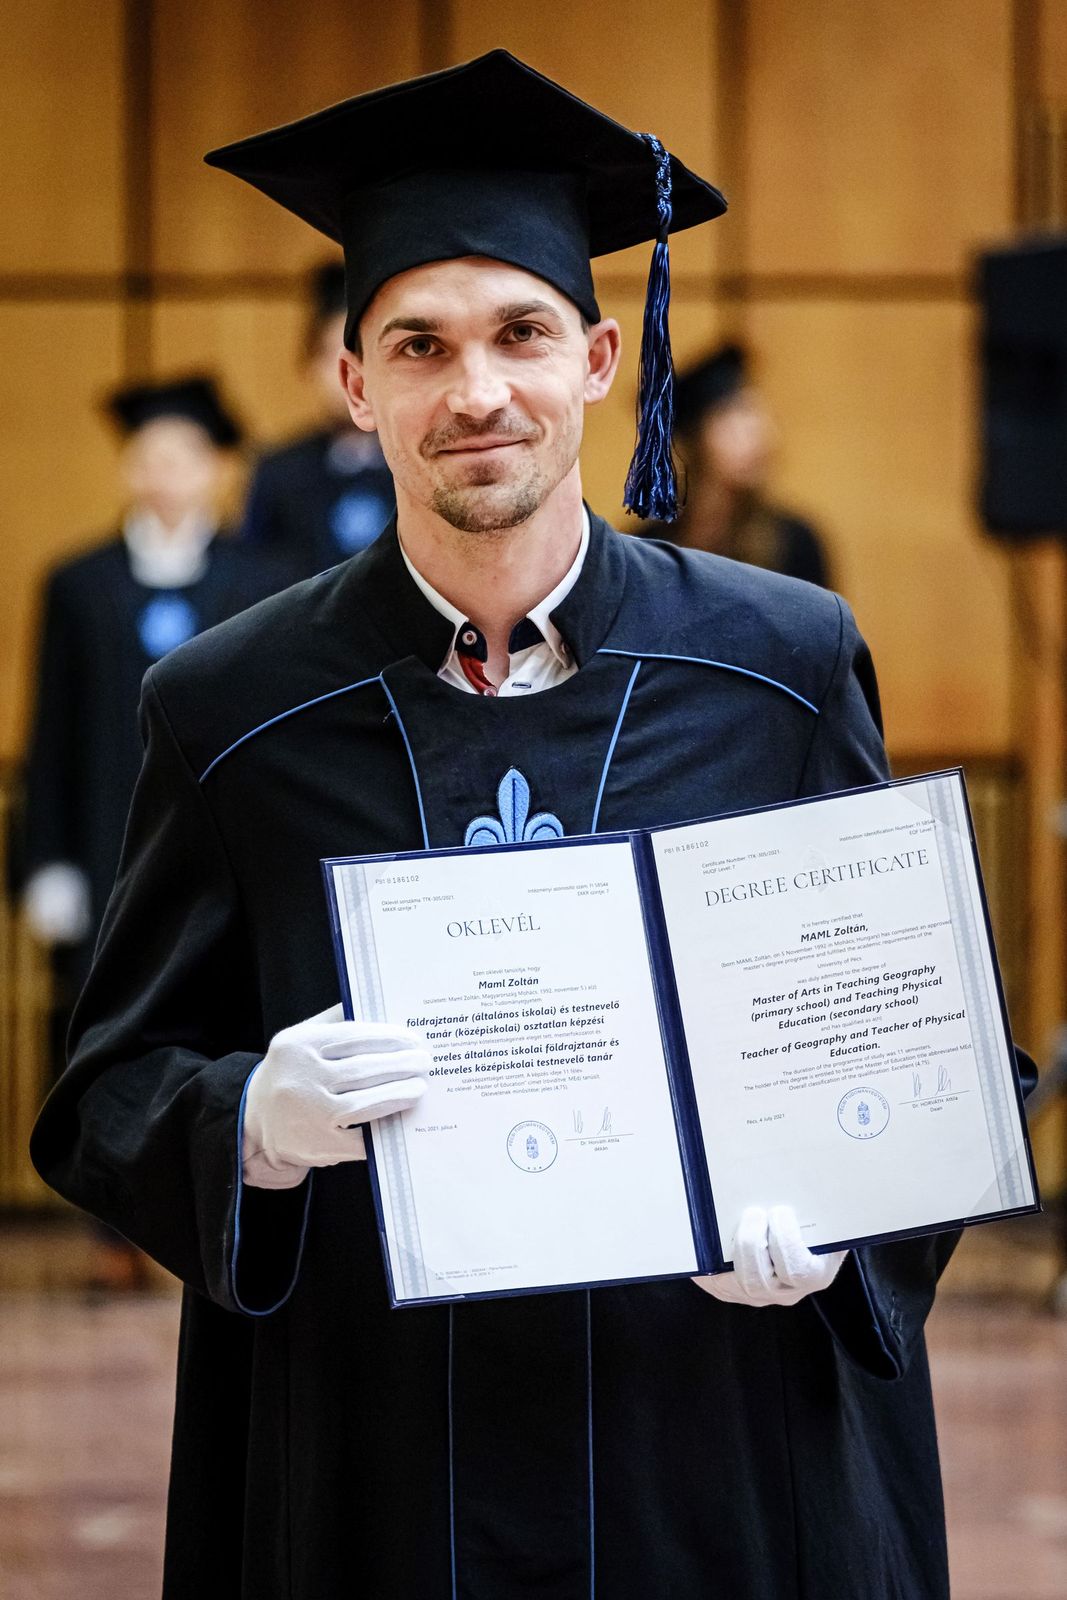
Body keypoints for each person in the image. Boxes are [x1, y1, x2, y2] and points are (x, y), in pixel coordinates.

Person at [30, 50, 1023, 1597]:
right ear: (354, 386)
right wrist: (248, 1123)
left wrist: (845, 1232)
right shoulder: (233, 709)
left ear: (599, 359)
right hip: (377, 1456)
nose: (475, 390)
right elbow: (105, 1091)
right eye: (418, 345)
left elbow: (927, 1050)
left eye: (519, 333)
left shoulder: (773, 666)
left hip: (706, 1448)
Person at [239, 259, 396, 574]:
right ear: (309, 364)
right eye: (331, 357)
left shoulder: (418, 464)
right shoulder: (279, 473)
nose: (348, 375)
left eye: (362, 355)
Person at [646, 341, 831, 585]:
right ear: (695, 440)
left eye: (756, 415)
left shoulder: (794, 543)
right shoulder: (650, 549)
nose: (760, 434)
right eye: (734, 416)